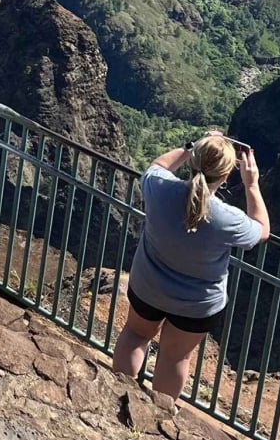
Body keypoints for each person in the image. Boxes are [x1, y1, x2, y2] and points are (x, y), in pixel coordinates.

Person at [114, 135, 270, 398]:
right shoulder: (228, 219)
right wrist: (251, 184)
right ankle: (158, 414)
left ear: (193, 162)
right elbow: (262, 231)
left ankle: (116, 393)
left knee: (135, 335)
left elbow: (158, 166)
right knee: (175, 357)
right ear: (226, 174)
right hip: (196, 305)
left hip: (148, 286)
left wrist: (191, 147)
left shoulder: (159, 189)